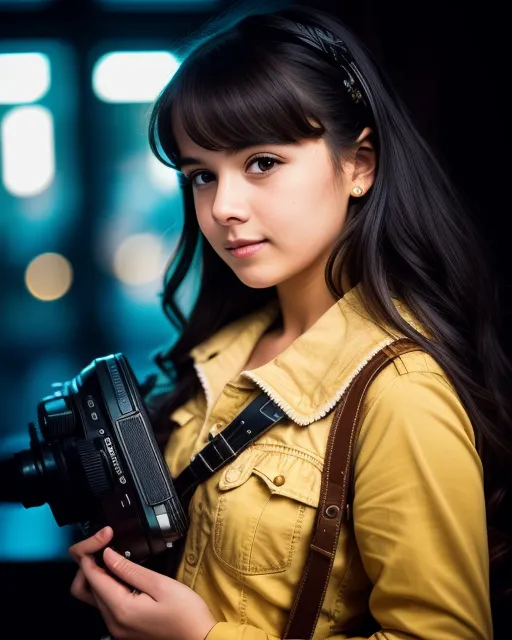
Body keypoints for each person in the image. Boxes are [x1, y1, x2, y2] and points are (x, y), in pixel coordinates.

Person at [67, 4, 512, 639]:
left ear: (359, 165)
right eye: (200, 175)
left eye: (261, 162)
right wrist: (127, 576)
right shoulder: (221, 356)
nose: (223, 207)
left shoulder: (400, 391)